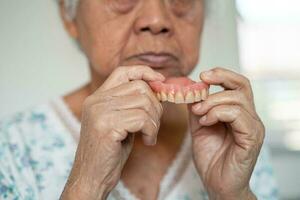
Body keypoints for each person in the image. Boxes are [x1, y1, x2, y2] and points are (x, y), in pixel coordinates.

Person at [0, 0, 278, 199]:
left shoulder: (237, 137)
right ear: (69, 15)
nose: (157, 21)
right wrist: (86, 187)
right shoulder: (12, 147)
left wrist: (233, 195)